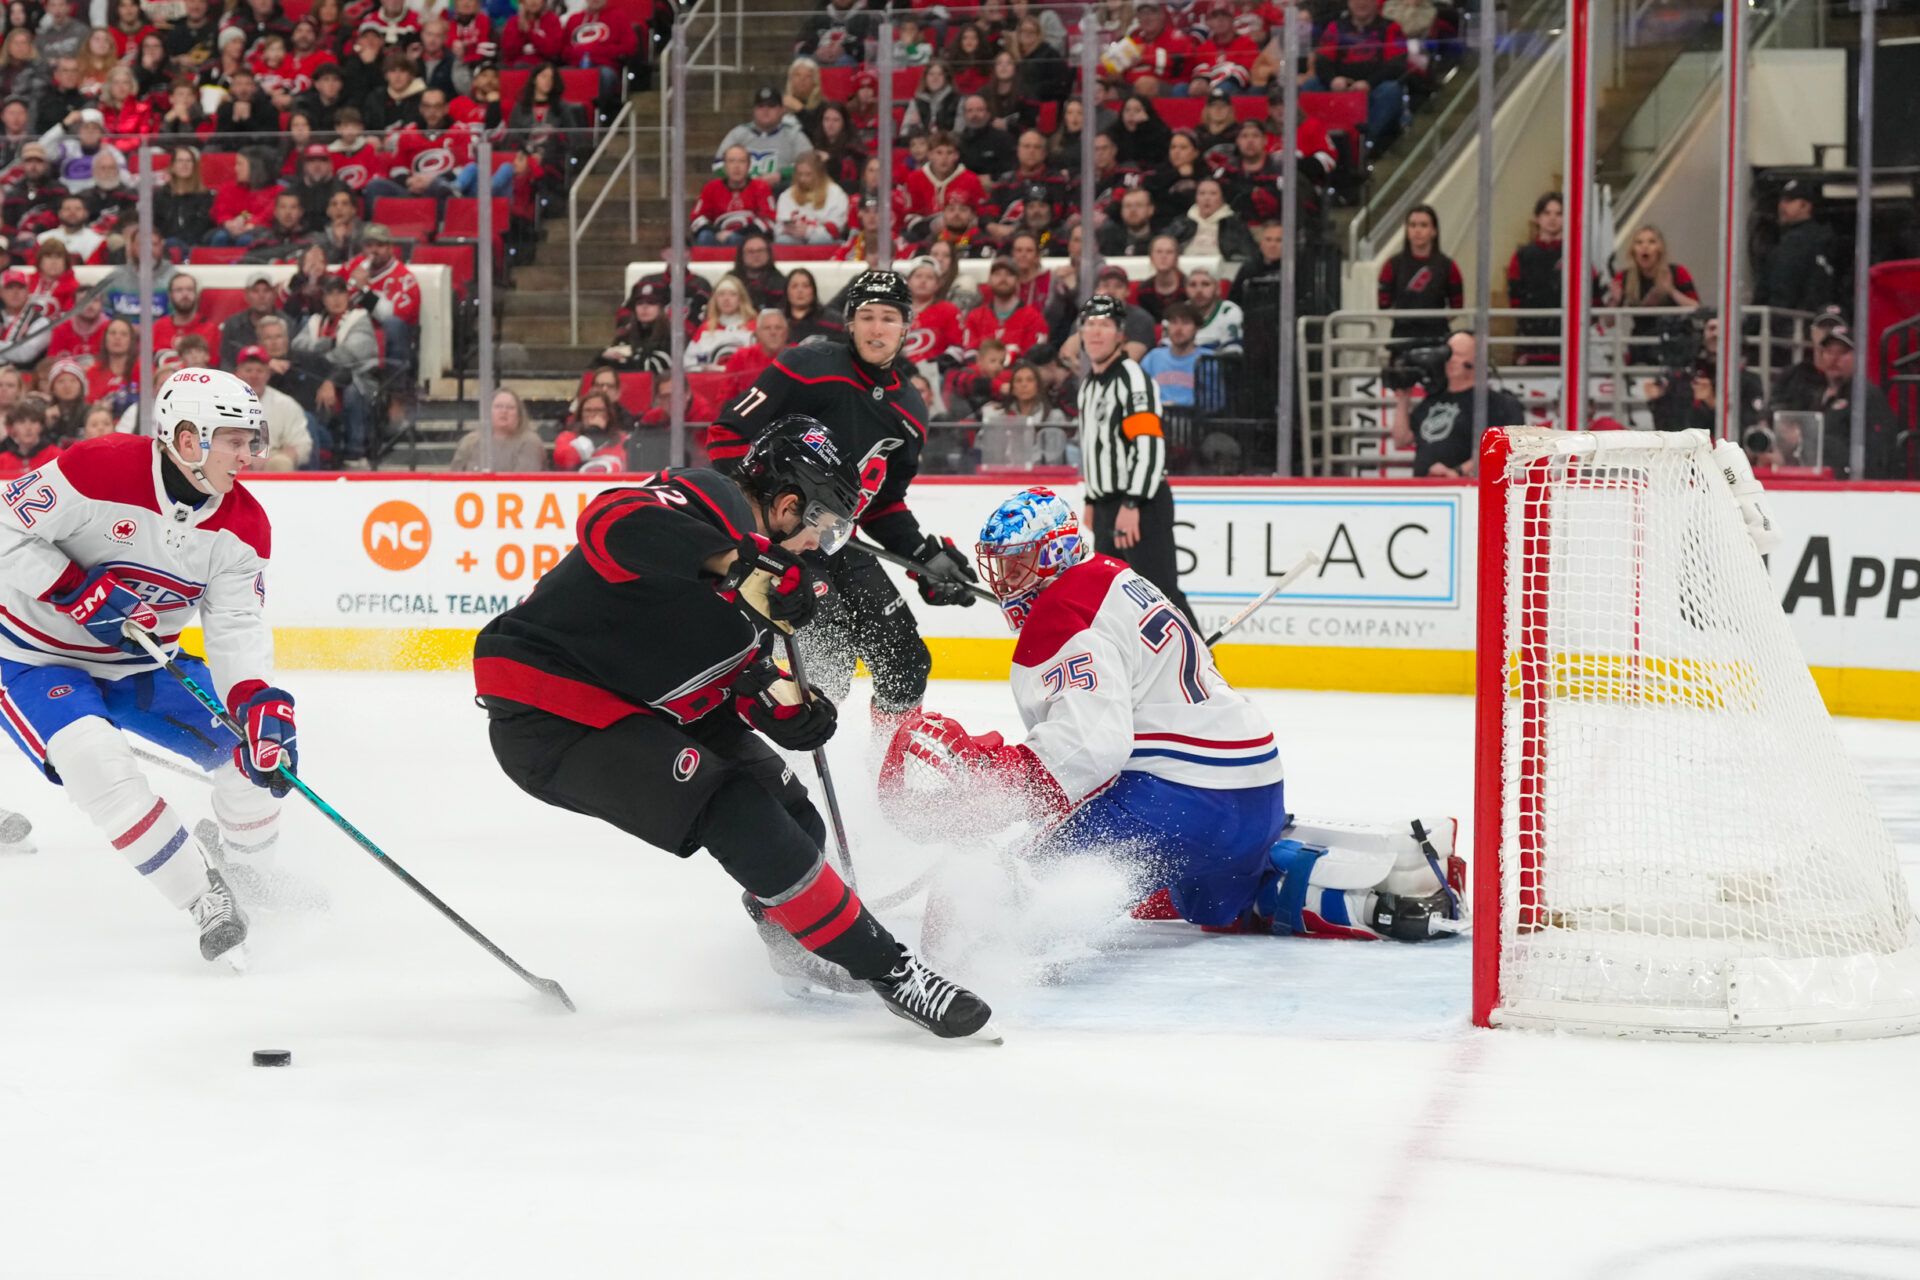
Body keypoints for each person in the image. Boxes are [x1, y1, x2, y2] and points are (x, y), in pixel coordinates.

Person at [879, 486, 1463, 942]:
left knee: (1000, 903)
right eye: (999, 567)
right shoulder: (1115, 577)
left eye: (1017, 566)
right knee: (1205, 900)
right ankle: (1383, 891)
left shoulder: (1061, 612)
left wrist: (999, 775)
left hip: (1178, 801)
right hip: (1254, 789)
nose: (1003, 583)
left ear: (1055, 553)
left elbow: (1091, 750)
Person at [0, 368, 291, 964]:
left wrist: (256, 697)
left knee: (253, 754)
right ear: (188, 439)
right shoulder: (97, 467)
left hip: (139, 663)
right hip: (32, 657)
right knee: (95, 764)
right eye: (235, 440)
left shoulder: (244, 527)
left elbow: (235, 626)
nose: (250, 455)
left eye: (251, 440)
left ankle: (252, 875)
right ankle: (202, 896)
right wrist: (72, 587)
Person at [709, 272, 983, 730]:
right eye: (867, 317)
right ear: (850, 323)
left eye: (888, 318)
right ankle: (789, 766)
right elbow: (725, 436)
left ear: (906, 327)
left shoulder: (910, 413)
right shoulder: (808, 365)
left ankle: (882, 779)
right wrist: (755, 523)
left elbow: (882, 505)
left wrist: (923, 556)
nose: (877, 329)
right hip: (781, 540)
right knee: (824, 660)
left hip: (839, 543)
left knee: (906, 665)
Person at [1075, 294, 1195, 628]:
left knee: (1160, 594)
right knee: (1110, 599)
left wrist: (1133, 503)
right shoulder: (1088, 385)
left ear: (1120, 334)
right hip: (1105, 506)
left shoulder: (1132, 377)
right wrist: (1091, 499)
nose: (1096, 332)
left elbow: (1149, 445)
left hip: (1141, 504)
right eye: (1090, 325)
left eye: (1105, 325)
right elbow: (1092, 447)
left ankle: (1203, 670)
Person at [1386, 331, 1526, 477]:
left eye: (1457, 355)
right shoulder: (1432, 400)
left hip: (1467, 490)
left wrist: (1459, 471)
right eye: (1447, 354)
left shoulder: (1495, 403)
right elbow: (1401, 439)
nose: (1450, 360)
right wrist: (1403, 398)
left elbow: (1507, 447)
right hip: (1424, 491)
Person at [1305, 0, 1408, 150]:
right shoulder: (1336, 26)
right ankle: (1315, 139)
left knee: (1391, 89)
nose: (1361, 3)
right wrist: (1332, 80)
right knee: (1310, 86)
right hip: (1340, 88)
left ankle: (1363, 142)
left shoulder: (1392, 27)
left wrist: (1369, 83)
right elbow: (1322, 60)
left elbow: (1396, 65)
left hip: (1374, 88)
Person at [1751, 179, 1838, 325]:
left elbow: (1782, 291)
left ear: (1805, 206)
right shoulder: (1798, 238)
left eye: (1790, 201)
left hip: (1789, 327)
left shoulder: (1800, 241)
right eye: (1782, 200)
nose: (1782, 206)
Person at [1606, 224, 1698, 359]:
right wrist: (1615, 300)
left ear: (1660, 249)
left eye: (1651, 242)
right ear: (1633, 251)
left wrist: (1671, 291)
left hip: (1675, 344)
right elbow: (1607, 322)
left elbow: (1696, 308)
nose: (1645, 246)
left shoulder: (1677, 272)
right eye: (1639, 242)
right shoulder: (1623, 277)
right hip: (1642, 345)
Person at [1377, 204, 1463, 342]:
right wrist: (1406, 321)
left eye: (1423, 225)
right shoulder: (1391, 265)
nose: (1417, 230)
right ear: (1407, 230)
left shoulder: (1448, 266)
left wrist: (1434, 322)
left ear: (1433, 231)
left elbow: (1457, 306)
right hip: (1402, 338)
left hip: (1437, 339)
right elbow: (1384, 304)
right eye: (1412, 225)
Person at [233, 345, 315, 470]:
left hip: (271, 460)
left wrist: (286, 456)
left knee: (281, 463)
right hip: (231, 457)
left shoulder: (285, 404)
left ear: (268, 374)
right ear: (237, 373)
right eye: (248, 370)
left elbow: (301, 444)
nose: (254, 376)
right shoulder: (221, 402)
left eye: (259, 371)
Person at [1507, 191, 1564, 365]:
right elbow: (1514, 298)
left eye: (1559, 213)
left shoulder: (1577, 255)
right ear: (1537, 218)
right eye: (1547, 213)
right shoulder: (1522, 255)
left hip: (1566, 341)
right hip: (1530, 340)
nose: (1552, 219)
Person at [713, 86, 813, 185]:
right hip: (743, 193)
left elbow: (811, 164)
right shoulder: (738, 134)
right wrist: (744, 181)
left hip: (781, 192)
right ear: (754, 110)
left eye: (771, 106)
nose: (765, 110)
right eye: (760, 106)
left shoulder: (794, 135)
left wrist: (781, 175)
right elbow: (718, 165)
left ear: (782, 110)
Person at [963, 258, 1050, 363]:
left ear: (1018, 281)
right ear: (989, 280)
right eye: (997, 274)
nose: (1003, 279)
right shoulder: (975, 316)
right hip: (981, 376)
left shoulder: (1033, 318)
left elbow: (1035, 360)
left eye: (1009, 274)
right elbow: (969, 353)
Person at [691, 145, 776, 246]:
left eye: (741, 161)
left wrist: (735, 234)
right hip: (718, 236)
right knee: (705, 236)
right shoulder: (711, 188)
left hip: (749, 238)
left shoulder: (761, 187)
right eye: (731, 161)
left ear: (748, 166)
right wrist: (717, 232)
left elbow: (768, 220)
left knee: (734, 239)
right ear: (725, 166)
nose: (736, 166)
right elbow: (696, 219)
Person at [451, 386, 546, 471]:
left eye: (510, 407)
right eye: (498, 406)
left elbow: (524, 482)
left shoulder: (530, 442)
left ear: (519, 414)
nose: (504, 411)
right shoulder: (470, 442)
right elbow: (453, 478)